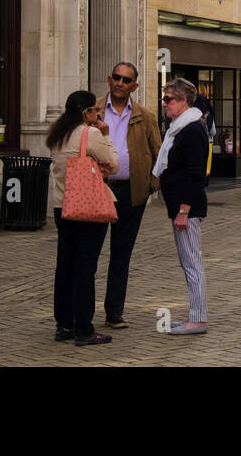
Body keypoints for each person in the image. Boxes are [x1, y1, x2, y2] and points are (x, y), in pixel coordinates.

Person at [47, 89, 118, 346]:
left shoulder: (59, 136)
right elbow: (114, 162)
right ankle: (84, 329)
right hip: (88, 207)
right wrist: (107, 137)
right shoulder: (92, 134)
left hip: (62, 207)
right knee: (85, 269)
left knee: (65, 266)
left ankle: (63, 324)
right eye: (95, 110)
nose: (98, 114)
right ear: (86, 112)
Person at [96, 62, 162, 330]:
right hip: (99, 190)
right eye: (116, 78)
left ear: (134, 85)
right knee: (89, 253)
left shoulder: (145, 116)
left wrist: (150, 186)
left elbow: (159, 154)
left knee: (121, 254)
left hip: (131, 193)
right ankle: (83, 313)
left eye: (126, 80)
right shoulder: (94, 110)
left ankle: (114, 312)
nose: (120, 83)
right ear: (109, 79)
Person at [154, 77, 210, 334]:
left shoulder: (192, 130)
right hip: (180, 207)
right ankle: (195, 315)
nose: (164, 103)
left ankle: (197, 319)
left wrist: (183, 211)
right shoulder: (179, 128)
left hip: (186, 209)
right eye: (164, 98)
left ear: (183, 101)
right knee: (188, 263)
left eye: (169, 99)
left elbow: (196, 175)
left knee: (192, 264)